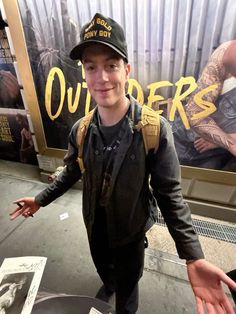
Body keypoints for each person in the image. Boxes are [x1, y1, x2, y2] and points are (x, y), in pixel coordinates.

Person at [9, 13, 236, 314]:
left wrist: (193, 255)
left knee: (129, 287)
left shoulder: (154, 130)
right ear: (84, 73)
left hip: (130, 232)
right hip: (94, 225)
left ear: (126, 70)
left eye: (111, 66)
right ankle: (110, 283)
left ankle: (124, 294)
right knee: (105, 268)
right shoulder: (81, 130)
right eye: (92, 67)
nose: (101, 78)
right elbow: (70, 172)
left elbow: (171, 196)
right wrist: (40, 200)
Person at [173, 40, 236, 171]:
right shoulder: (225, 54)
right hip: (183, 135)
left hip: (216, 154)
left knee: (202, 186)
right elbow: (194, 112)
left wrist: (220, 142)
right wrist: (228, 142)